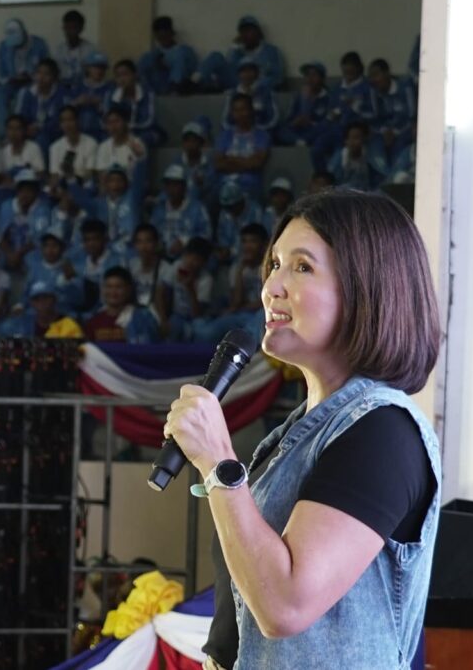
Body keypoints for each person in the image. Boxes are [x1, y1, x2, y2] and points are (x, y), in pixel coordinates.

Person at [172, 191, 441, 669]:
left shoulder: (383, 431)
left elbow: (286, 604)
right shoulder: (293, 436)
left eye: (301, 267)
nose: (272, 286)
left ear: (367, 289)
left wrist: (217, 462)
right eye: (274, 263)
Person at [194, 223, 270, 344]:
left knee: (254, 327)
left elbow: (266, 302)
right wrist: (240, 270)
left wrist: (239, 308)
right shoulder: (237, 268)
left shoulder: (270, 267)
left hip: (262, 315)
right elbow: (236, 302)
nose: (247, 246)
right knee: (205, 333)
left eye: (253, 241)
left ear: (264, 245)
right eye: (244, 242)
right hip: (241, 314)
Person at [197, 15, 284, 92]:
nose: (246, 34)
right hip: (238, 85)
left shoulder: (270, 51)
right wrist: (234, 48)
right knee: (215, 56)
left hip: (258, 86)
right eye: (243, 31)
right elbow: (230, 69)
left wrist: (257, 86)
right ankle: (193, 83)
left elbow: (277, 77)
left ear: (258, 33)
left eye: (249, 30)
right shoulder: (237, 51)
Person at [0, 19, 49, 135]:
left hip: (32, 82)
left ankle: (21, 132)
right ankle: (6, 134)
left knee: (23, 94)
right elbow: (0, 74)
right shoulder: (3, 47)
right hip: (11, 83)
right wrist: (11, 78)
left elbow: (48, 69)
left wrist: (32, 76)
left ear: (25, 33)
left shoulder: (39, 45)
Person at [83, 266, 159, 344]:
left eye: (118, 287)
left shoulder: (142, 319)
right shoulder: (93, 321)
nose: (113, 292)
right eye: (109, 287)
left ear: (128, 290)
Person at [214, 94, 270, 197]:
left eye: (243, 109)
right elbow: (219, 164)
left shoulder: (261, 135)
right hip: (225, 185)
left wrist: (231, 159)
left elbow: (257, 163)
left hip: (249, 186)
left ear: (251, 110)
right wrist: (246, 161)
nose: (240, 114)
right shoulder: (225, 135)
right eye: (236, 110)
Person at [151, 164, 211, 259]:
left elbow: (206, 235)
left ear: (184, 187)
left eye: (175, 185)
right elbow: (152, 233)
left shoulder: (197, 208)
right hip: (162, 260)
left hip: (188, 260)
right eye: (168, 184)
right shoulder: (159, 208)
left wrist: (185, 241)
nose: (171, 189)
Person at [163, 236, 214, 342]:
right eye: (189, 256)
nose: (191, 262)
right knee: (173, 325)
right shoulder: (177, 266)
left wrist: (190, 289)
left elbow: (197, 314)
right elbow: (161, 291)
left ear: (204, 262)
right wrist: (163, 318)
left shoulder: (206, 279)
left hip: (197, 319)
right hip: (177, 315)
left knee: (201, 331)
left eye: (197, 259)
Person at [106, 59, 163, 148]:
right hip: (119, 131)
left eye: (125, 74)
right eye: (118, 76)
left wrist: (128, 128)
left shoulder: (147, 93)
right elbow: (108, 119)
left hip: (143, 131)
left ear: (135, 75)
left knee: (144, 139)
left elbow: (148, 121)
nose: (122, 79)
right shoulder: (112, 95)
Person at [14, 58, 66, 153]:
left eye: (46, 74)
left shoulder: (61, 94)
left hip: (53, 133)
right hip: (28, 131)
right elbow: (18, 118)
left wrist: (40, 127)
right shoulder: (25, 92)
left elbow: (59, 120)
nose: (41, 77)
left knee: (42, 139)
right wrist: (26, 129)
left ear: (54, 78)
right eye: (38, 73)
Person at [139, 16, 197, 95]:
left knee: (180, 55)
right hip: (158, 87)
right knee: (147, 60)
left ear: (172, 33)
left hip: (180, 87)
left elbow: (193, 71)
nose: (163, 40)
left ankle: (174, 87)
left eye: (165, 36)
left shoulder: (184, 51)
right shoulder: (151, 56)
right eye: (160, 37)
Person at [54, 10, 97, 87]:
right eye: (68, 28)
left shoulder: (90, 50)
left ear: (81, 29)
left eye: (74, 28)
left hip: (84, 88)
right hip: (63, 88)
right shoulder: (59, 50)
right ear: (63, 28)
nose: (71, 32)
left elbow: (94, 76)